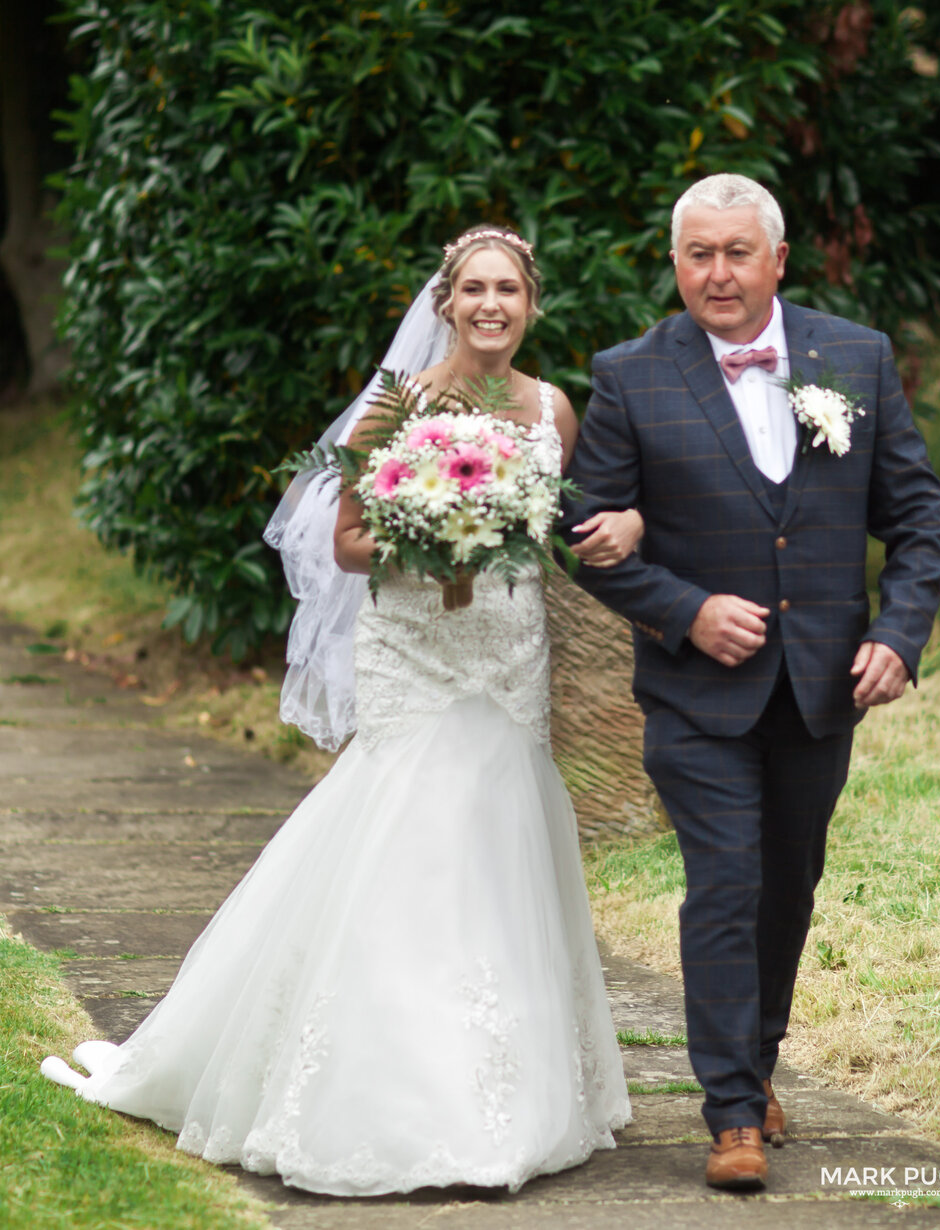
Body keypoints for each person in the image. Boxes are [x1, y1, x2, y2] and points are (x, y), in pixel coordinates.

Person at [40, 224, 637, 1196]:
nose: (492, 305)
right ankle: (396, 1090)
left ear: (532, 305)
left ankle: (510, 1089)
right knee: (410, 840)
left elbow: (559, 533)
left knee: (502, 844)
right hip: (415, 650)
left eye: (509, 291)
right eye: (475, 289)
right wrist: (432, 528)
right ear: (446, 303)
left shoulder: (552, 410)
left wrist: (579, 538)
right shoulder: (394, 408)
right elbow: (347, 542)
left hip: (507, 653)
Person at [560, 174, 940, 1192]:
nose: (717, 273)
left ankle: (757, 1065)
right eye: (698, 254)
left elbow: (913, 519)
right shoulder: (629, 375)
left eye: (737, 253)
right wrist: (683, 607)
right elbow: (586, 542)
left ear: (778, 260)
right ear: (675, 261)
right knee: (725, 887)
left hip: (821, 687)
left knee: (787, 889)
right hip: (696, 695)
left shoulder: (853, 356)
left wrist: (899, 637)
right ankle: (730, 1113)